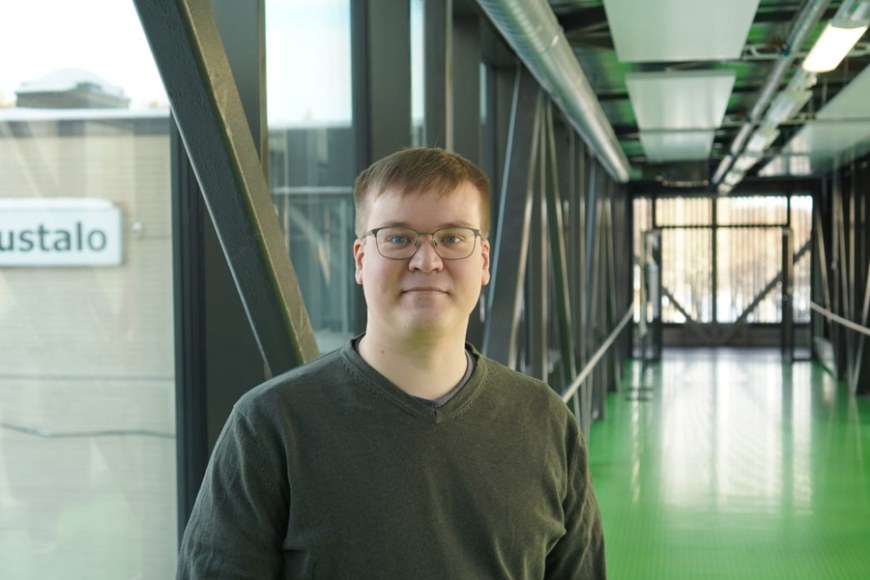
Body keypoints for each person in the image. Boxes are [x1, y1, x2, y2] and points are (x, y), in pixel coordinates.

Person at [176, 147, 606, 578]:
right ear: (362, 260)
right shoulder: (271, 425)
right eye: (398, 238)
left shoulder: (545, 421)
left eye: (453, 238)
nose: (427, 260)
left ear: (484, 261)